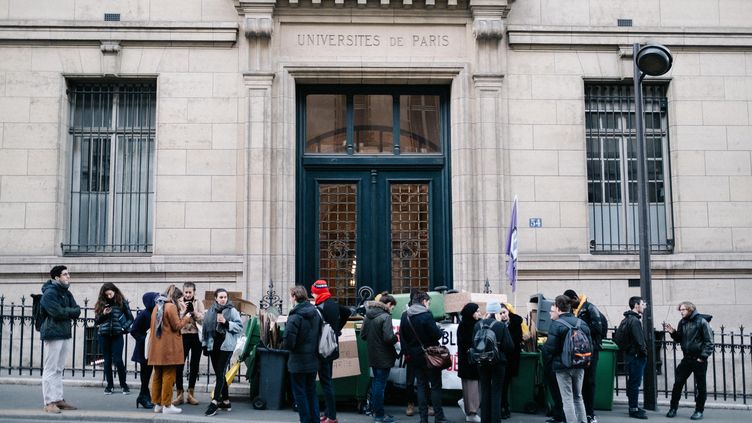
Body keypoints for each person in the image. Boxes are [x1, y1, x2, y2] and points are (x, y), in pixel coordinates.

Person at [399, 291, 449, 423]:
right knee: (435, 386)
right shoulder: (426, 315)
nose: (428, 305)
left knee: (421, 385)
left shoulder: (405, 316)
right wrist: (439, 331)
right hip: (430, 355)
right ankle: (439, 417)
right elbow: (436, 335)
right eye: (428, 302)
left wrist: (408, 352)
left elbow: (402, 336)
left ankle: (423, 418)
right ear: (423, 301)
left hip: (415, 356)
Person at [542, 295, 592, 423]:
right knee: (578, 396)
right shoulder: (582, 323)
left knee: (567, 398)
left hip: (562, 366)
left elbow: (550, 348)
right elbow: (589, 346)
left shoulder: (556, 324)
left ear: (558, 308)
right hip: (580, 364)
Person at [39, 265, 81, 413]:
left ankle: (58, 399)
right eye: (65, 274)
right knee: (50, 369)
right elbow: (57, 312)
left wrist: (67, 312)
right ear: (57, 277)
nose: (68, 276)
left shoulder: (66, 293)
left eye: (68, 274)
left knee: (58, 369)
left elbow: (77, 310)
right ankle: (48, 402)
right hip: (52, 333)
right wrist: (69, 312)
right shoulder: (49, 293)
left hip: (64, 333)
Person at [664, 301, 714, 421]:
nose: (681, 312)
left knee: (700, 386)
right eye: (680, 310)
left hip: (699, 359)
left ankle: (699, 410)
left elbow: (709, 342)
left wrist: (702, 357)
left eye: (683, 310)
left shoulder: (701, 322)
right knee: (678, 383)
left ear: (690, 310)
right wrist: (673, 333)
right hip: (687, 358)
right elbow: (679, 339)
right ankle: (673, 408)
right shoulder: (683, 322)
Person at [147, 285, 193, 414]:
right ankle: (167, 405)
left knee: (157, 375)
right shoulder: (171, 306)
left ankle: (157, 404)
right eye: (180, 299)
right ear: (175, 297)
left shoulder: (158, 306)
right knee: (168, 376)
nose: (181, 302)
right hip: (169, 348)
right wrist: (187, 317)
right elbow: (177, 325)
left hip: (157, 348)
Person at [564, 289, 605, 423]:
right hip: (579, 351)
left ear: (576, 298)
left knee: (589, 382)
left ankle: (590, 413)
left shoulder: (589, 308)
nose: (570, 305)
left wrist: (580, 328)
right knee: (581, 383)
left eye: (571, 302)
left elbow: (599, 328)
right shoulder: (575, 311)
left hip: (591, 350)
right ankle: (582, 412)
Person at [284, 285, 323, 423]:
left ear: (294, 297)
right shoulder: (316, 313)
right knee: (311, 391)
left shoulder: (295, 316)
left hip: (298, 360)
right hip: (313, 359)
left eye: (291, 295)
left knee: (300, 393)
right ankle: (315, 419)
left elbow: (289, 341)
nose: (290, 298)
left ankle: (305, 420)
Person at [202, 288, 243, 417]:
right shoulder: (210, 311)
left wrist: (226, 323)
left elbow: (239, 327)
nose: (223, 299)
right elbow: (204, 328)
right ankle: (225, 401)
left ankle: (215, 401)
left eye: (225, 297)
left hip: (226, 346)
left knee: (220, 373)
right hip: (213, 346)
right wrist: (204, 345)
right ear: (216, 298)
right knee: (220, 374)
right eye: (221, 297)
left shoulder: (232, 310)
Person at [312, 280, 348, 423]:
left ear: (318, 292)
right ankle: (328, 413)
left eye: (313, 292)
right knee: (327, 381)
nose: (312, 295)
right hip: (331, 347)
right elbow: (347, 312)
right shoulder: (332, 304)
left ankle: (331, 416)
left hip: (323, 348)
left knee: (326, 383)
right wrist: (337, 329)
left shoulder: (321, 306)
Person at [474, 302, 514, 423]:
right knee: (496, 392)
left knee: (485, 391)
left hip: (481, 361)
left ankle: (485, 419)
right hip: (498, 362)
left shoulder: (478, 325)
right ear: (497, 312)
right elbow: (510, 346)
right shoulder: (500, 326)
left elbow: (474, 343)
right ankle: (495, 420)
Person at [361, 294, 399, 423]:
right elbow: (389, 338)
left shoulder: (368, 315)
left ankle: (375, 412)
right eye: (392, 307)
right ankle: (379, 415)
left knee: (376, 383)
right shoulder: (385, 316)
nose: (392, 309)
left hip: (373, 354)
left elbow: (363, 335)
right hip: (384, 356)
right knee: (380, 385)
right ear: (388, 304)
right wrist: (396, 337)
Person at [94, 282, 134, 395]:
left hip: (117, 334)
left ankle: (123, 384)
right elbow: (97, 321)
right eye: (106, 295)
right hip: (104, 335)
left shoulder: (122, 302)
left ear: (114, 291)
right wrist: (104, 314)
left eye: (110, 294)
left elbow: (131, 318)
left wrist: (123, 328)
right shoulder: (101, 304)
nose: (108, 296)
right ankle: (109, 385)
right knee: (107, 361)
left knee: (118, 360)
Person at [401, 289, 432, 417]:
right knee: (412, 381)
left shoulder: (426, 313)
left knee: (423, 380)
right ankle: (411, 403)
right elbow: (403, 336)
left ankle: (426, 404)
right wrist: (406, 352)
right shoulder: (406, 315)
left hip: (422, 353)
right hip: (412, 353)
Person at [174, 282, 205, 406]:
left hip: (196, 336)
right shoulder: (178, 302)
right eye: (185, 292)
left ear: (194, 292)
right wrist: (185, 311)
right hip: (182, 336)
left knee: (194, 365)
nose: (187, 295)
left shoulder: (198, 302)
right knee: (179, 365)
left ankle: (191, 394)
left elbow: (203, 317)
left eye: (190, 292)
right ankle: (179, 394)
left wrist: (194, 313)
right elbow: (175, 319)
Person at [619, 296, 648, 420]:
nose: (644, 306)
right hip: (636, 355)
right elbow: (639, 340)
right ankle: (633, 409)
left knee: (632, 382)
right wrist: (644, 352)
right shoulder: (635, 321)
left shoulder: (626, 319)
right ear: (636, 305)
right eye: (643, 304)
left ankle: (633, 406)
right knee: (635, 383)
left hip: (630, 354)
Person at [130, 291, 159, 410]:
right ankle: (143, 396)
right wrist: (144, 339)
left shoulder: (155, 312)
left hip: (150, 349)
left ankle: (144, 396)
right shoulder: (144, 314)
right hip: (143, 350)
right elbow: (133, 330)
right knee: (145, 375)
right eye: (155, 300)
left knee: (147, 374)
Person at [456, 303, 481, 423]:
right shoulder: (467, 326)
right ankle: (471, 412)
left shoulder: (466, 324)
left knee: (470, 387)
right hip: (470, 361)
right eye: (477, 311)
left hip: (467, 362)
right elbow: (469, 343)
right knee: (472, 387)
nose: (479, 313)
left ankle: (468, 407)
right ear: (471, 313)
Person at [499, 303, 523, 420]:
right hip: (501, 358)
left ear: (508, 311)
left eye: (504, 312)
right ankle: (504, 406)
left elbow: (517, 339)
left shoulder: (515, 323)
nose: (503, 315)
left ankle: (505, 407)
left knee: (505, 383)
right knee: (502, 384)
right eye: (500, 313)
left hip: (511, 358)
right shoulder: (498, 324)